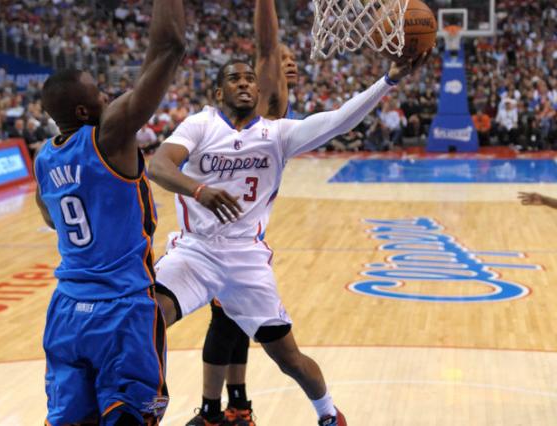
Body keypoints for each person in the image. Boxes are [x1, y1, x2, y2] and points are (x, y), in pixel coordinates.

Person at [149, 54, 427, 426]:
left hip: (245, 259)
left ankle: (328, 413)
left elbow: (339, 120)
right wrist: (199, 190)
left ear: (259, 90)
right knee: (145, 316)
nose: (245, 83)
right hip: (194, 251)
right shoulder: (201, 124)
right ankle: (150, 401)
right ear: (219, 92)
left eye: (250, 78)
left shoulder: (277, 135)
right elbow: (158, 166)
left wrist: (388, 80)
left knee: (288, 358)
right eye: (235, 78)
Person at [33, 0, 186, 423]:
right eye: (100, 93)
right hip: (121, 310)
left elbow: (51, 218)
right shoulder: (109, 135)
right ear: (85, 111)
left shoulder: (44, 159)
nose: (109, 96)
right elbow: (170, 47)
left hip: (65, 311)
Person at [185, 1, 299, 424]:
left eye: (291, 60)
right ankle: (232, 406)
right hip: (215, 234)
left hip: (236, 239)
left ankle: (225, 409)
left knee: (231, 325)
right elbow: (266, 46)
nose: (287, 65)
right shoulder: (249, 106)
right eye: (281, 59)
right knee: (229, 323)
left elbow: (269, 51)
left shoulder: (273, 112)